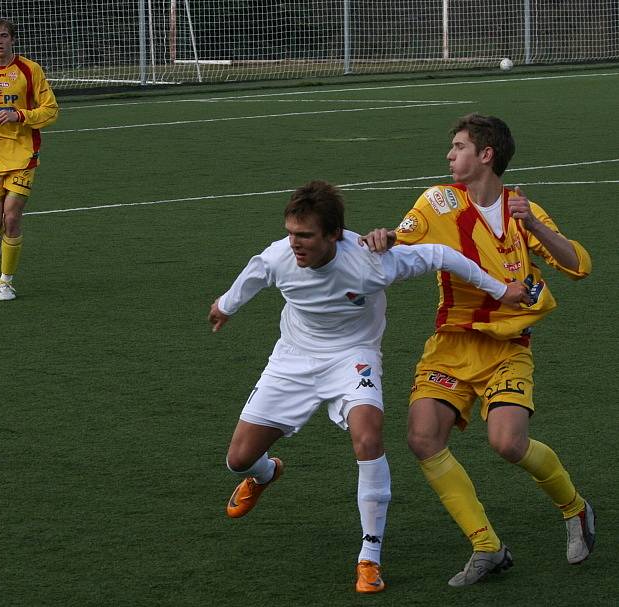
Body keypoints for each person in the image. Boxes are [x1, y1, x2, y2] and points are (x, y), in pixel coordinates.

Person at [208, 180, 528, 594]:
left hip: (353, 356)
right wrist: (225, 306)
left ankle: (369, 558)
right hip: (293, 358)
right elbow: (254, 274)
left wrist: (502, 290)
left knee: (368, 438)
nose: (295, 244)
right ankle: (266, 474)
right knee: (239, 459)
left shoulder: (372, 261)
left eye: (304, 236)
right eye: (290, 233)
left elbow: (443, 255)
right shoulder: (278, 256)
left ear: (334, 235)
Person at [360, 113, 595, 587]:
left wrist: (538, 228)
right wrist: (383, 238)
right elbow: (402, 239)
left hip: (507, 349)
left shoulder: (521, 208)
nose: (450, 155)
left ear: (486, 155)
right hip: (450, 345)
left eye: (460, 146)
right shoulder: (438, 201)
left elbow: (578, 265)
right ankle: (487, 546)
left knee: (508, 444)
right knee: (423, 438)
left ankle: (575, 508)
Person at [0, 18, 59, 301]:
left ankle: (6, 281)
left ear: (12, 40)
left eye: (4, 35)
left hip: (23, 154)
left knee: (12, 217)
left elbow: (51, 110)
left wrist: (21, 115)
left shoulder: (30, 70)